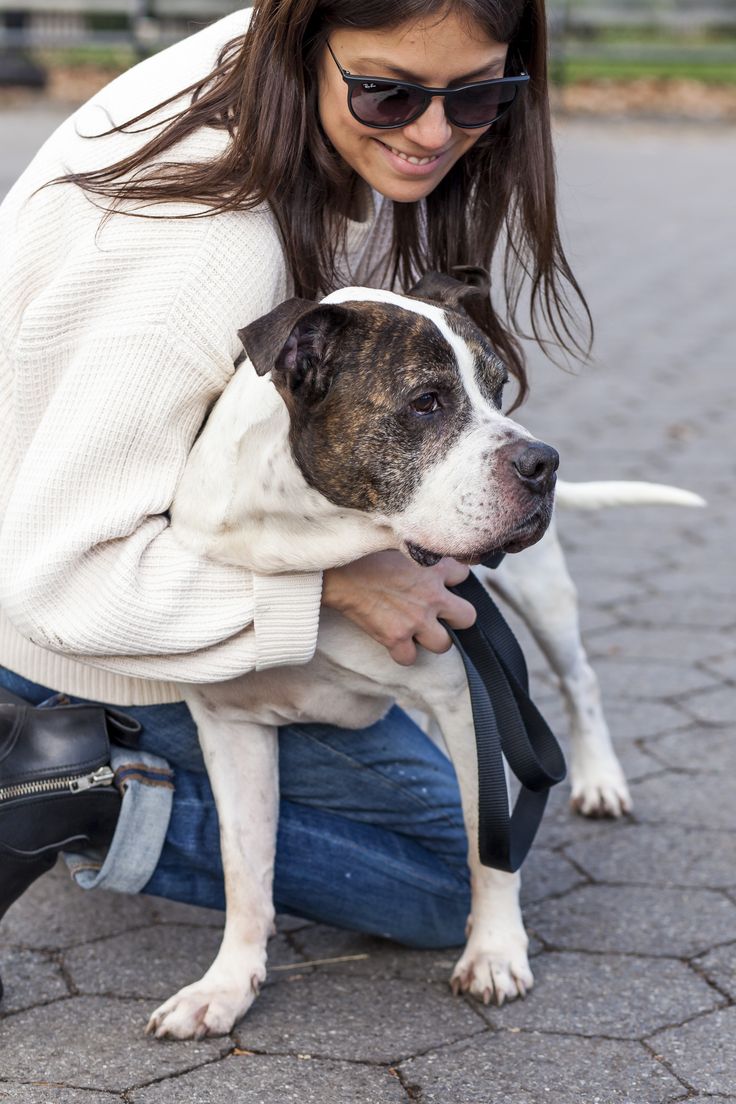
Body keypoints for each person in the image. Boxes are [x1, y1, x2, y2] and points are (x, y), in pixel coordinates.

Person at [0, 0, 589, 966]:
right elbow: (57, 579)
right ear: (310, 40)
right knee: (460, 877)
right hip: (74, 627)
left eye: (478, 93)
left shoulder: (258, 72)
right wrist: (332, 584)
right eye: (388, 92)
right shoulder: (202, 257)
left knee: (495, 825)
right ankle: (70, 791)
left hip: (146, 557)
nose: (434, 132)